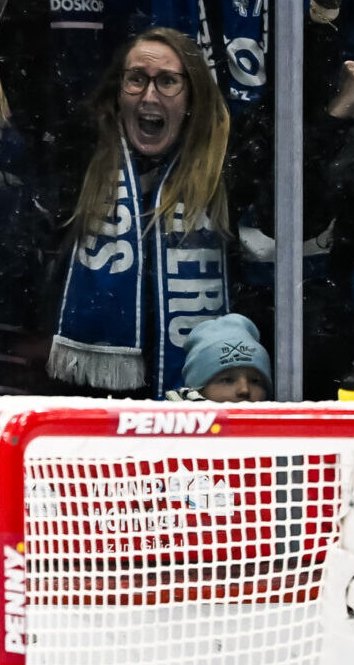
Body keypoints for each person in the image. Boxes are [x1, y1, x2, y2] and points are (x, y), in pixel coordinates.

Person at [46, 28, 235, 396]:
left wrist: (324, 11)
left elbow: (296, 124)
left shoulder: (226, 167)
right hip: (91, 399)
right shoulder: (79, 156)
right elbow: (40, 80)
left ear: (192, 96)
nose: (149, 95)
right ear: (118, 91)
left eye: (167, 81)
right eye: (136, 80)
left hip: (197, 405)